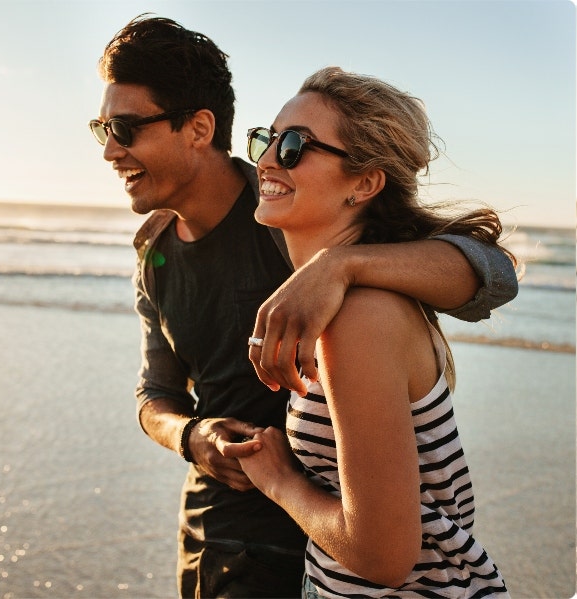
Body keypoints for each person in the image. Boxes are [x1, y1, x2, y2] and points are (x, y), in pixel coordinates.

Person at [92, 15, 517, 598]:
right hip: (218, 536)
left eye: (125, 127)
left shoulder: (293, 219)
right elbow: (154, 392)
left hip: (310, 549)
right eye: (103, 129)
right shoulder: (155, 253)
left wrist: (340, 267)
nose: (110, 149)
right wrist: (193, 436)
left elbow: (493, 275)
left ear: (198, 128)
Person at [224, 66, 510, 598]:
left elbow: (384, 557)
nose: (265, 159)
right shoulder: (350, 300)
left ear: (365, 183)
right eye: (265, 138)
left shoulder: (358, 318)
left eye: (293, 146)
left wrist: (279, 479)